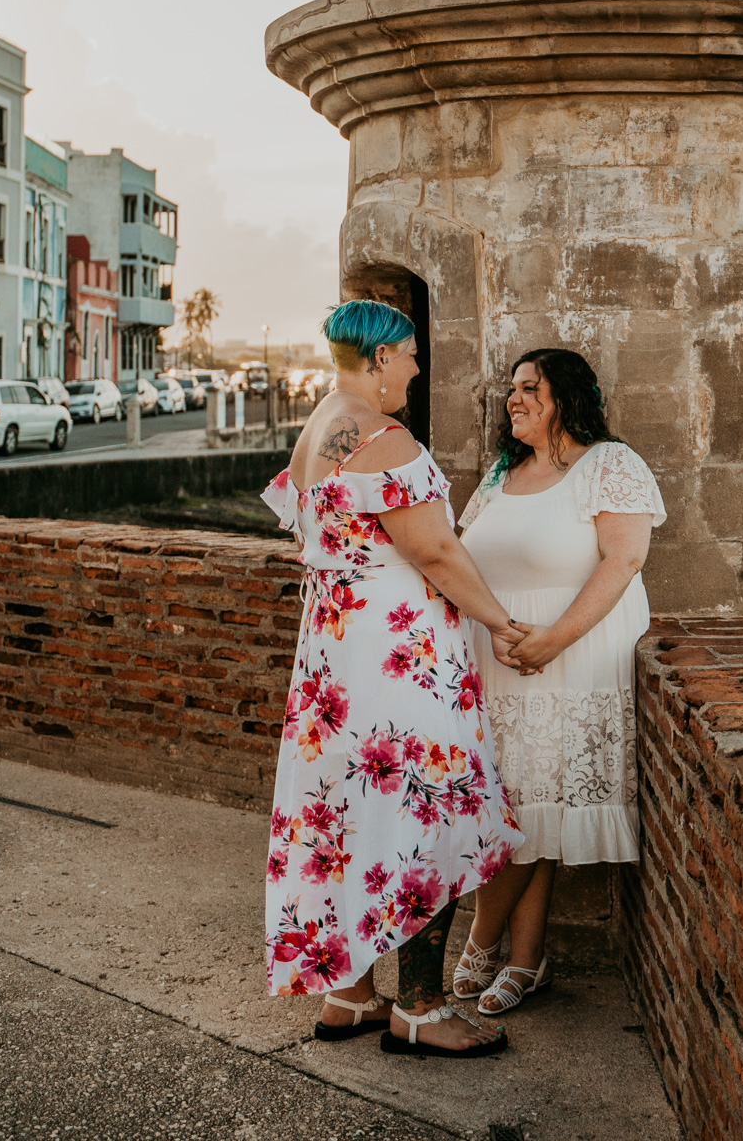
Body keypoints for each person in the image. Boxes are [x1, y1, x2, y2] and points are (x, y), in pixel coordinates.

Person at [262, 300, 528, 1059]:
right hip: (397, 664)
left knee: (350, 817)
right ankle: (419, 1007)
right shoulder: (384, 438)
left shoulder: (320, 427)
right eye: (409, 354)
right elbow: (436, 553)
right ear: (379, 359)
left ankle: (349, 992)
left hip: (333, 662)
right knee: (425, 813)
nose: (415, 367)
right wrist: (504, 625)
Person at [452, 348, 666, 1015]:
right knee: (518, 809)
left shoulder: (612, 465)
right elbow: (458, 552)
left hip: (569, 661)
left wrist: (552, 638)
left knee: (530, 806)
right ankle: (527, 961)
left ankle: (484, 944)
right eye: (510, 387)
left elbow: (625, 557)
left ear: (566, 396)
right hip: (497, 661)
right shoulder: (501, 471)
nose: (513, 398)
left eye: (529, 387)